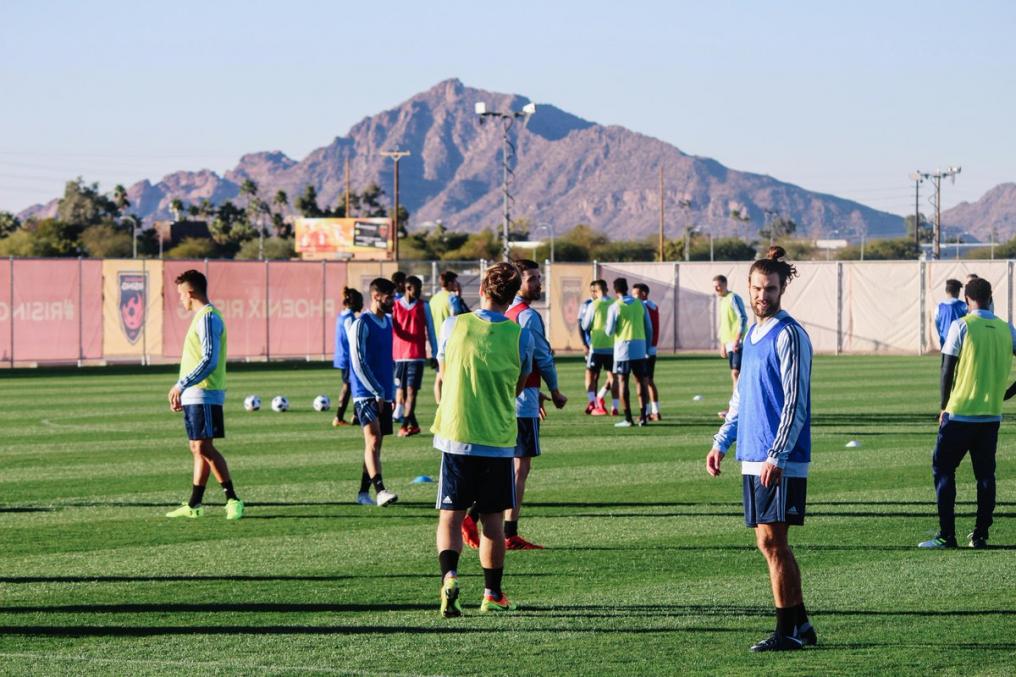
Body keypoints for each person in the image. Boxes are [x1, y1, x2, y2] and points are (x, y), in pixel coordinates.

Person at [705, 246, 817, 652]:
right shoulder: (751, 334)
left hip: (777, 458)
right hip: (752, 455)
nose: (762, 296)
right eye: (756, 288)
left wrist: (777, 454)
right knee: (767, 542)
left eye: (770, 289)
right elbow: (741, 397)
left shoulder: (790, 334)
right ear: (747, 288)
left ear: (782, 288)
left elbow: (795, 402)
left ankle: (788, 629)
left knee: (775, 542)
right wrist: (721, 441)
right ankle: (800, 625)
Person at [431, 262, 535, 616]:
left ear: (483, 290)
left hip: (456, 434)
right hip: (497, 438)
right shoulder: (520, 335)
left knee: (450, 515)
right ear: (511, 295)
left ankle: (449, 577)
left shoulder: (453, 325)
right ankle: (492, 594)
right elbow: (520, 386)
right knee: (492, 520)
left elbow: (443, 375)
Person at [461, 259, 567, 551]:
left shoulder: (496, 313)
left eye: (537, 278)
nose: (537, 284)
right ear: (517, 282)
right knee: (519, 468)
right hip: (522, 400)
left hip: (500, 399)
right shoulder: (527, 316)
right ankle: (504, 530)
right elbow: (540, 357)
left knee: (501, 465)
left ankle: (474, 515)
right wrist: (554, 390)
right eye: (532, 278)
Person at [920, 277, 1016, 550]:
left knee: (944, 470)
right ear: (990, 297)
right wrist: (1007, 393)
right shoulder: (1005, 328)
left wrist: (943, 405)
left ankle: (946, 535)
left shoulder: (961, 325)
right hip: (991, 416)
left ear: (967, 300)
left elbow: (946, 368)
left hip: (960, 413)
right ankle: (981, 535)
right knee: (985, 476)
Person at [165, 269, 244, 521]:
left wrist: (182, 384)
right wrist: (183, 389)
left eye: (181, 295)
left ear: (190, 293)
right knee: (197, 447)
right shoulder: (201, 317)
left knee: (203, 446)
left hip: (205, 391)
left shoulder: (208, 318)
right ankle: (194, 504)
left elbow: (209, 359)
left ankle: (232, 498)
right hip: (194, 393)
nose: (180, 300)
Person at [348, 278, 399, 507]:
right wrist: (376, 390)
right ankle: (380, 491)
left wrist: (391, 391)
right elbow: (358, 362)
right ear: (376, 296)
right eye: (390, 297)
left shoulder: (388, 322)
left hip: (384, 393)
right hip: (365, 393)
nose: (394, 301)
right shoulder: (361, 323)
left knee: (375, 445)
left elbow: (388, 360)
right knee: (373, 438)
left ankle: (362, 492)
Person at [392, 275, 438, 437]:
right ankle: (414, 424)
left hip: (416, 356)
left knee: (411, 392)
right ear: (408, 288)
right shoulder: (395, 306)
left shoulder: (423, 306)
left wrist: (435, 353)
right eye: (416, 289)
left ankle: (405, 425)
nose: (419, 292)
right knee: (402, 393)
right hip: (398, 357)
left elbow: (431, 330)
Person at [605, 277, 653, 428]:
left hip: (622, 349)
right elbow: (649, 328)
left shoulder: (615, 306)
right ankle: (643, 417)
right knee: (641, 382)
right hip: (640, 349)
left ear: (615, 290)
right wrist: (647, 347)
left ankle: (628, 418)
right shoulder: (640, 304)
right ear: (627, 288)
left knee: (623, 382)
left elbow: (609, 331)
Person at [580, 280, 619, 415]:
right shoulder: (615, 303)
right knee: (613, 377)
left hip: (596, 346)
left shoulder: (593, 305)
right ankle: (615, 407)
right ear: (607, 289)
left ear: (596, 291)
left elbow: (585, 325)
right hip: (612, 346)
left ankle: (592, 402)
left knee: (590, 374)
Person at [714, 274, 748, 418]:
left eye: (719, 285)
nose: (716, 288)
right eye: (715, 286)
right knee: (735, 375)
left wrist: (736, 339)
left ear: (725, 284)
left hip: (737, 342)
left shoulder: (733, 297)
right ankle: (736, 408)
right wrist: (722, 343)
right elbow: (724, 324)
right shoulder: (722, 301)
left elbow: (742, 317)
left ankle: (735, 409)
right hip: (728, 343)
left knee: (737, 374)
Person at [332, 288, 363, 427]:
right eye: (360, 301)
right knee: (351, 385)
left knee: (352, 385)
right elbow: (353, 339)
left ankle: (355, 416)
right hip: (348, 358)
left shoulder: (341, 315)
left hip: (342, 356)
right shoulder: (349, 317)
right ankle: (339, 417)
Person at [633, 283, 662, 420]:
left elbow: (647, 328)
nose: (633, 297)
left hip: (645, 349)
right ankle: (655, 411)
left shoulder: (644, 306)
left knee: (643, 381)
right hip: (651, 348)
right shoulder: (653, 306)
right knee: (649, 381)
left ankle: (646, 412)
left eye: (635, 294)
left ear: (643, 294)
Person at [391, 271, 408, 421]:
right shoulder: (398, 302)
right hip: (399, 348)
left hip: (393, 347)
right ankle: (397, 411)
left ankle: (397, 410)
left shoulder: (394, 301)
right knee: (400, 382)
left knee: (396, 381)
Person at [934, 279, 968, 350]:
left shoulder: (939, 307)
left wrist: (941, 334)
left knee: (945, 361)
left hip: (945, 341)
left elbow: (937, 324)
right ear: (958, 292)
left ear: (946, 291)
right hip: (960, 341)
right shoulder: (964, 306)